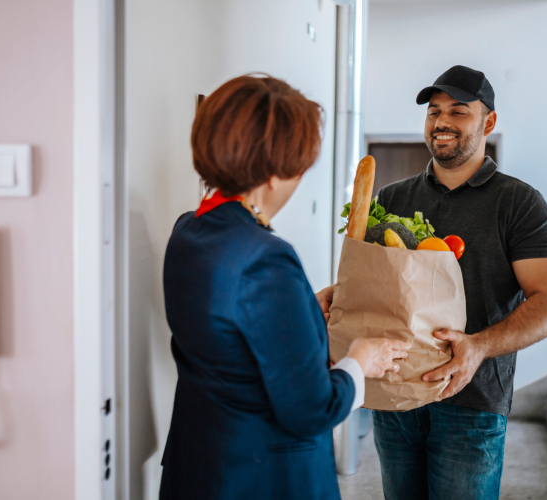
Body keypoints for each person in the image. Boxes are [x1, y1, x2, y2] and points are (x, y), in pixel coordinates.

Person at [159, 75, 411, 500]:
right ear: (274, 174)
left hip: (199, 464)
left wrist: (304, 310)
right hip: (261, 476)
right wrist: (359, 361)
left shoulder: (189, 229)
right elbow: (313, 409)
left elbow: (230, 332)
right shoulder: (266, 257)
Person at [370, 66, 547, 499]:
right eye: (434, 112)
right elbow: (377, 287)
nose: (441, 122)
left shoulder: (519, 203)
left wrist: (479, 346)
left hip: (472, 404)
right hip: (396, 397)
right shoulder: (392, 198)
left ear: (488, 122)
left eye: (458, 112)